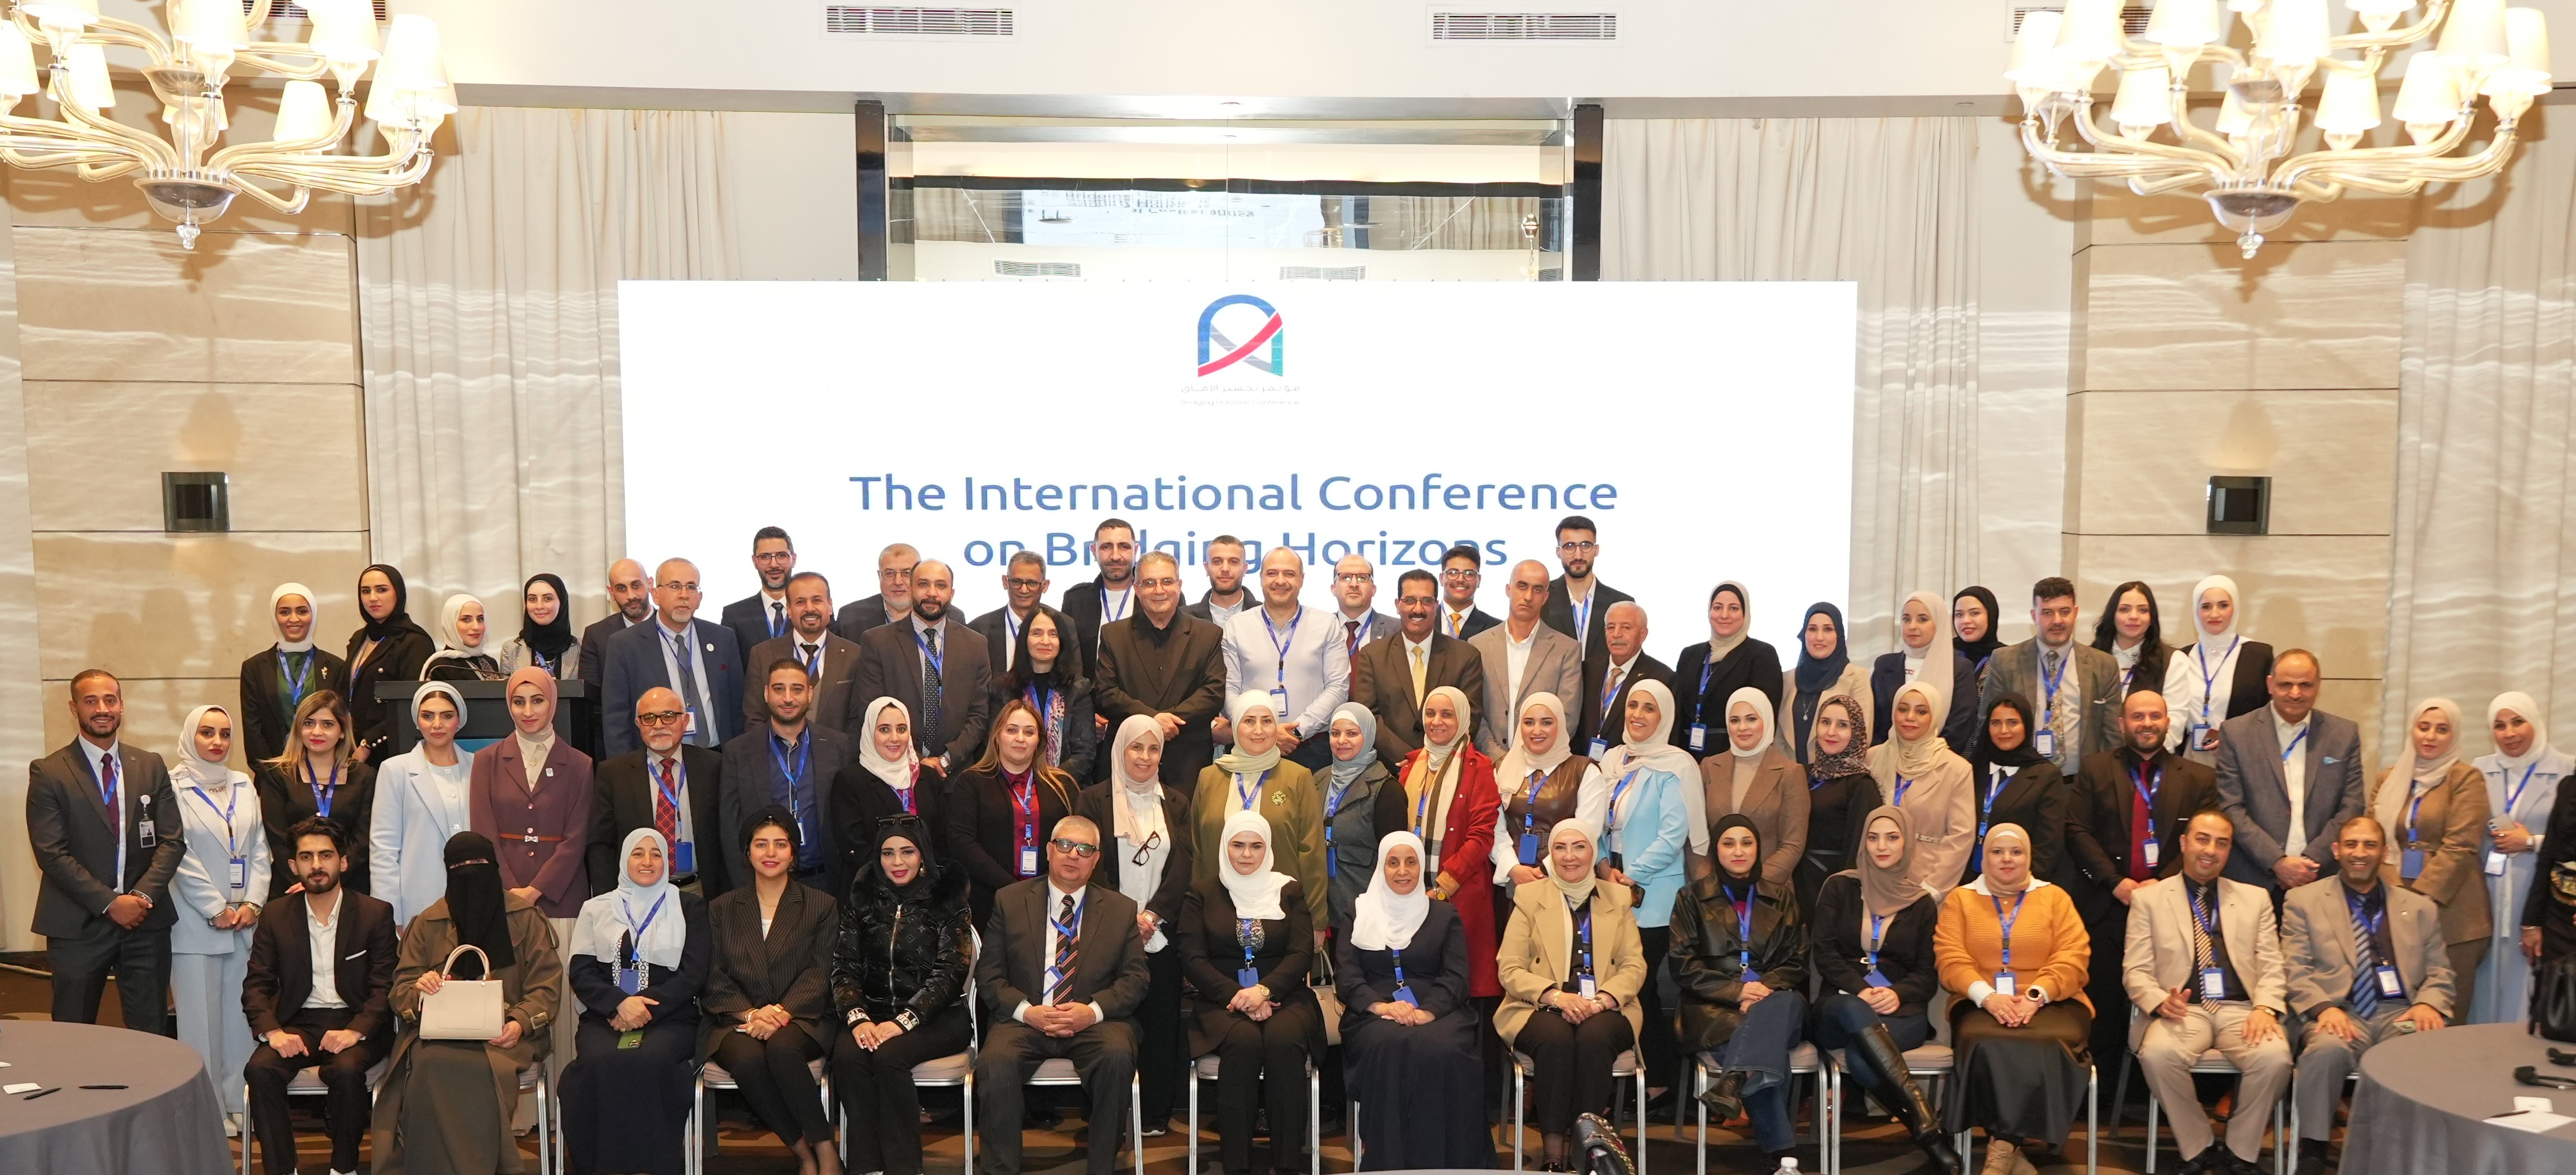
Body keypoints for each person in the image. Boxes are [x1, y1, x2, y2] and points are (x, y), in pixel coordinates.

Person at [370, 831, 564, 1175]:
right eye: (461, 867)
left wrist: (519, 1022)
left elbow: (546, 986)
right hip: (438, 1035)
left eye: (480, 864)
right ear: (448, 872)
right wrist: (422, 989)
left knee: (482, 1068)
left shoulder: (526, 918)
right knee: (430, 1066)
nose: (471, 874)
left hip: (506, 1036)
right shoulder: (427, 922)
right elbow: (401, 992)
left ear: (495, 868)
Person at [973, 814, 1153, 1175]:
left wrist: (1092, 1011)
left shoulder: (1120, 909)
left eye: (1085, 849)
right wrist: (1028, 1012)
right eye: (1066, 845)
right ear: (1049, 851)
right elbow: (989, 975)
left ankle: (1102, 1168)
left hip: (1095, 1022)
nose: (1074, 855)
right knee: (996, 1061)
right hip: (1025, 1019)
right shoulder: (1010, 900)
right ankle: (1001, 1169)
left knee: (1117, 1056)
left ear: (1096, 859)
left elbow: (1136, 979)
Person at [2122, 809, 2293, 1175]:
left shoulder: (2255, 898)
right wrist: (2159, 1001)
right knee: (2158, 1055)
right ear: (2184, 843)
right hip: (2182, 1011)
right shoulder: (2149, 899)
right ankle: (2197, 1145)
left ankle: (2241, 1151)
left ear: (2230, 851)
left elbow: (2272, 963)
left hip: (2243, 1010)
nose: (2211, 850)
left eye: (2222, 843)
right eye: (2202, 839)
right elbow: (2135, 970)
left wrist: (2265, 1008)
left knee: (2276, 1058)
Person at [2283, 816, 2453, 1175]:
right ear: (2336, 850)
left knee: (2422, 1047)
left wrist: (2428, 1004)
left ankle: (2403, 1154)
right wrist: (2323, 1008)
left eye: (2370, 845)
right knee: (2326, 1051)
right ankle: (2313, 1151)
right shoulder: (2303, 900)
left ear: (2385, 853)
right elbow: (2293, 968)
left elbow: (2440, 971)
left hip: (2399, 1013)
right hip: (2338, 1011)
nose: (2359, 853)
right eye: (2351, 844)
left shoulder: (2419, 908)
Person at [2065, 689, 2218, 1077]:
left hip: (2170, 908)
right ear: (2122, 724)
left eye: (2155, 716)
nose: (2147, 724)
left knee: (2163, 998)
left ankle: (2149, 1090)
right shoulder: (2095, 769)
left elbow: (2202, 841)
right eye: (2138, 717)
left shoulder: (2199, 778)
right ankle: (2103, 1091)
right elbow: (2077, 830)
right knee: (2105, 1002)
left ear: (2168, 722)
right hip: (2106, 905)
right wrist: (2114, 882)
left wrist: (2161, 884)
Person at [243, 817, 400, 1175]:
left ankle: (343, 1169)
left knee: (345, 1071)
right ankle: (283, 1170)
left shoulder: (375, 913)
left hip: (356, 1021)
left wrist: (356, 1031)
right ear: (293, 866)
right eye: (307, 857)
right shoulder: (276, 915)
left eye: (326, 855)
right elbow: (257, 984)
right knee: (260, 1069)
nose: (316, 865)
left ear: (342, 862)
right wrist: (273, 1032)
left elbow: (385, 986)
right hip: (298, 1023)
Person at [29, 670, 185, 1031]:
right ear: (74, 708)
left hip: (145, 923)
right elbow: (51, 852)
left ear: (121, 706)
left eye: (110, 700)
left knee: (151, 1033)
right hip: (78, 924)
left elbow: (172, 840)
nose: (102, 709)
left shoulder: (150, 765)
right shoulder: (49, 772)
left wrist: (140, 898)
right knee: (74, 1032)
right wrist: (110, 903)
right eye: (91, 701)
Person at [1934, 823, 2093, 1175]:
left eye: (2016, 852)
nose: (2007, 859)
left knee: (2047, 1041)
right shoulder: (1960, 900)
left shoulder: (2055, 898)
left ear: (2029, 857)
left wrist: (2037, 995)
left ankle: (2002, 1148)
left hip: (2053, 999)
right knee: (1984, 1040)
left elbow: (2074, 955)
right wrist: (1988, 998)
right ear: (1985, 857)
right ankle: (2011, 1149)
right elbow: (1950, 960)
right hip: (1981, 1000)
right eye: (1997, 851)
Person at [1810, 806, 1957, 1174]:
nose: (1882, 846)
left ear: (1907, 844)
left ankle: (1922, 1130)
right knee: (1852, 1009)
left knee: (1861, 1060)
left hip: (1900, 1010)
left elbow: (1927, 972)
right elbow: (1824, 953)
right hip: (1841, 1003)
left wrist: (1899, 993)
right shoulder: (1840, 887)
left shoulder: (1921, 903)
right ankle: (1926, 1121)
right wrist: (1861, 990)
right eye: (1873, 838)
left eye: (1892, 838)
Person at [469, 666, 595, 1095]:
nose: (528, 711)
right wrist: (513, 892)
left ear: (552, 703)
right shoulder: (486, 761)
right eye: (518, 701)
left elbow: (577, 838)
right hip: (503, 901)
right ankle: (521, 1117)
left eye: (537, 700)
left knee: (560, 1002)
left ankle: (563, 1107)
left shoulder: (580, 764)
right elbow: (483, 832)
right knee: (512, 1002)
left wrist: (536, 890)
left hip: (561, 898)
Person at [1495, 821, 1646, 1173]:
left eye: (1579, 847)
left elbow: (1634, 965)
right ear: (1551, 854)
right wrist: (1556, 997)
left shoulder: (1618, 898)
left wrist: (1603, 1000)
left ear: (1593, 852)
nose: (1569, 856)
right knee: (1556, 1040)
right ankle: (1553, 1152)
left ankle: (1586, 1150)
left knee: (1594, 1039)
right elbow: (1510, 968)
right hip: (1542, 1004)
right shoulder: (1530, 897)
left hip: (1607, 1006)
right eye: (1560, 848)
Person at [561, 829, 713, 1175]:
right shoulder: (596, 908)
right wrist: (618, 1004)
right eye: (638, 853)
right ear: (624, 860)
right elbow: (582, 972)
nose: (647, 861)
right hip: (605, 1017)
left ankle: (651, 1167)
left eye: (656, 854)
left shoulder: (689, 907)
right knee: (598, 1063)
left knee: (648, 1062)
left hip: (671, 1018)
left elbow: (693, 973)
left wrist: (641, 1008)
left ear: (666, 862)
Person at [1180, 811, 1323, 1175]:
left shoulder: (1289, 890)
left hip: (1284, 996)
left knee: (1283, 1041)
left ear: (1268, 848)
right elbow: (1193, 959)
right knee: (1242, 1043)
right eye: (1238, 845)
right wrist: (1239, 996)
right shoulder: (1201, 893)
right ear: (1224, 846)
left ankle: (1288, 1163)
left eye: (1256, 846)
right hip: (1223, 1000)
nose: (1246, 854)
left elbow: (1301, 952)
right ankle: (1237, 1165)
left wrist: (1264, 990)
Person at [1336, 832, 1491, 1169]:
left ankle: (1451, 1164)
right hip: (1374, 1010)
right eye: (1393, 863)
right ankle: (1388, 1162)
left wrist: (1429, 1012)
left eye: (1411, 862)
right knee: (1390, 1044)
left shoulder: (1444, 915)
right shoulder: (1358, 911)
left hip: (1439, 1008)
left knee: (1444, 1048)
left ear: (1421, 867)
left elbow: (1456, 977)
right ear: (1381, 867)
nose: (1402, 871)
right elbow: (1347, 976)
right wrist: (1382, 1007)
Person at [702, 806, 842, 1174]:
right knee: (747, 1060)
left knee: (782, 1051)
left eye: (780, 844)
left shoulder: (821, 905)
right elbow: (714, 974)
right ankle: (803, 1153)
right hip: (737, 1018)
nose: (770, 853)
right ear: (747, 852)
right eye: (761, 844)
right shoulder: (722, 908)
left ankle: (826, 1150)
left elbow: (821, 971)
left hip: (803, 1016)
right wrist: (752, 1014)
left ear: (793, 853)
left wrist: (780, 1013)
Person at [833, 816, 976, 1175]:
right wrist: (857, 1017)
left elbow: (951, 973)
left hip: (939, 1017)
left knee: (888, 1057)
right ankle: (867, 1166)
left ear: (923, 854)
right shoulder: (862, 898)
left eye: (907, 852)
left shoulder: (948, 899)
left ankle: (904, 1168)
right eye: (888, 853)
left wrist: (904, 1021)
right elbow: (844, 965)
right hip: (873, 1013)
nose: (897, 862)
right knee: (848, 1056)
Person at [1077, 717, 1197, 1137]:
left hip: (1160, 933)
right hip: (1107, 932)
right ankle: (1104, 1113)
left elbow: (1184, 864)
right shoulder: (1093, 800)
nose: (1144, 757)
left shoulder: (1176, 803)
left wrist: (1153, 916)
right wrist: (1125, 917)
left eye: (1153, 749)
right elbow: (1086, 864)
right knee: (1105, 1026)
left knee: (1161, 1027)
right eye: (1136, 747)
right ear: (1120, 750)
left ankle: (1153, 1114)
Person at [1670, 815, 1809, 1165]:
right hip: (1713, 1009)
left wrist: (1762, 990)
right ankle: (1782, 1158)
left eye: (1747, 843)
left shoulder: (1782, 897)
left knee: (1784, 1005)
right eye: (1728, 843)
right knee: (1765, 1050)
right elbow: (1683, 966)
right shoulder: (1691, 898)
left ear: (1758, 848)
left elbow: (1797, 961)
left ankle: (1733, 1078)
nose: (1738, 851)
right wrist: (1737, 992)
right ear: (1716, 851)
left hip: (1774, 999)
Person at [1585, 680, 1697, 1103]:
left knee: (1641, 987)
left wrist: (1630, 875)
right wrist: (1603, 867)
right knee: (1614, 982)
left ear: (1664, 716)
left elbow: (1673, 835)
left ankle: (1659, 1081)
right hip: (1609, 885)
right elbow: (1594, 823)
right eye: (1633, 705)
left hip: (1653, 895)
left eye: (1649, 708)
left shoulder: (1676, 765)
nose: (1637, 714)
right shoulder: (1612, 760)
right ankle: (1628, 1077)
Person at [169, 703, 267, 1135]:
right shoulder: (173, 786)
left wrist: (253, 904)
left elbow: (259, 848)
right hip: (196, 923)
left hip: (243, 922)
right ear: (191, 736)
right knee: (200, 1022)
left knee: (239, 1017)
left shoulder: (243, 783)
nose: (217, 742)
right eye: (207, 732)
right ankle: (206, 1108)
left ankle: (238, 1098)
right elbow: (178, 854)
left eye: (225, 733)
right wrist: (215, 907)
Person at [2368, 698, 2491, 1022]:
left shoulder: (2466, 778)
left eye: (2442, 729)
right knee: (2398, 1012)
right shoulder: (2388, 779)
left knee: (2446, 1014)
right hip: (2393, 906)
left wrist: (2417, 900)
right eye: (2424, 727)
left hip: (2455, 915)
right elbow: (2373, 840)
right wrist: (2397, 894)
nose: (2431, 737)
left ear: (2455, 735)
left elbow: (2462, 845)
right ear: (2412, 730)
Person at [1370, 686, 1499, 994]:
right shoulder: (1412, 765)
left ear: (1463, 719)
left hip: (1458, 890)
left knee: (1455, 983)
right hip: (1410, 889)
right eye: (1430, 714)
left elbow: (1482, 837)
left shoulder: (1479, 767)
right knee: (1417, 980)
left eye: (1447, 714)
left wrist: (1442, 888)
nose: (1436, 722)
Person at [2215, 650, 2367, 896]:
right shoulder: (2236, 733)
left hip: (2321, 876)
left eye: (2305, 685)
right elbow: (2231, 807)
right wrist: (2277, 861)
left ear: (2318, 686)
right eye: (2285, 685)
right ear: (2270, 685)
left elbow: (2352, 805)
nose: (2295, 694)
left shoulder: (2343, 734)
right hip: (2254, 878)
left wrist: (2311, 861)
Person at [1196, 693, 1332, 935]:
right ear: (1235, 727)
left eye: (1267, 721)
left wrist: (1316, 920)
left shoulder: (1298, 777)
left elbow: (1312, 853)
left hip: (1282, 915)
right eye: (1249, 721)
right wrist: (1195, 914)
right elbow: (1197, 851)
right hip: (1219, 914)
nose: (1258, 730)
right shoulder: (1209, 777)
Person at [723, 658, 856, 897]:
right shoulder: (738, 752)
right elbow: (730, 826)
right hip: (764, 883)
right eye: (779, 689)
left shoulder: (838, 746)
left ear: (810, 694)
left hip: (826, 882)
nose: (787, 698)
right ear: (766, 693)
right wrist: (746, 888)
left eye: (797, 689)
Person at [1096, 550, 1230, 788]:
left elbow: (1213, 692)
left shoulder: (1208, 634)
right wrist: (1154, 720)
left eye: (1167, 581)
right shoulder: (1113, 635)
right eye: (1149, 583)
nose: (1159, 590)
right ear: (1137, 590)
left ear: (1179, 586)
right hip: (1129, 758)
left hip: (1187, 761)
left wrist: (1170, 721)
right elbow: (1105, 693)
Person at [853, 558, 993, 780]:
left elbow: (979, 715)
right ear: (911, 589)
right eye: (923, 584)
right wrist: (916, 759)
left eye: (941, 586)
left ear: (952, 593)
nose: (932, 593)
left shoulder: (975, 644)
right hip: (894, 773)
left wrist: (947, 759)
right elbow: (871, 710)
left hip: (956, 776)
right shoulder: (878, 642)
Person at [950, 698, 1087, 924]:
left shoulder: (1063, 785)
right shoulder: (972, 782)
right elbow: (962, 843)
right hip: (988, 900)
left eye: (1029, 732)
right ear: (997, 737)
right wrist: (1012, 888)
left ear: (1040, 741)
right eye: (1012, 730)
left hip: (1050, 901)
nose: (1020, 739)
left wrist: (1046, 889)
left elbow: (1076, 842)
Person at [1220, 547, 1351, 774]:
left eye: (1289, 574)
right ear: (1261, 578)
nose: (1280, 581)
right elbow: (1229, 689)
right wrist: (1261, 731)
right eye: (1272, 573)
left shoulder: (1326, 624)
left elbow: (1338, 688)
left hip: (1312, 748)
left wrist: (1298, 730)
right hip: (1250, 747)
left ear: (1302, 579)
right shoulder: (1236, 626)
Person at [602, 558, 749, 757]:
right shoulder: (625, 645)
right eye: (675, 586)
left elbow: (738, 706)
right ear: (655, 594)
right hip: (657, 760)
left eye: (691, 587)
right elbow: (616, 718)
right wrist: (625, 768)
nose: (684, 595)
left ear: (700, 597)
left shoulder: (723, 638)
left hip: (719, 757)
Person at [593, 685, 728, 897]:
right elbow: (601, 846)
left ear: (685, 721)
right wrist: (609, 900)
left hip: (701, 892)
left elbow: (727, 836)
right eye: (649, 718)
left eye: (668, 716)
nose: (658, 725)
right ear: (638, 724)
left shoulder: (714, 766)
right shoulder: (613, 774)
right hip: (637, 895)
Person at [2484, 691, 2570, 1022]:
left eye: (2518, 722)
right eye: (2500, 725)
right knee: (2486, 975)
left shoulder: (2567, 769)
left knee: (2529, 975)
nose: (2510, 733)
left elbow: (2571, 841)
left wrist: (2532, 841)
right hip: (2489, 892)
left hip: (2540, 893)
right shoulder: (2478, 770)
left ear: (2535, 721)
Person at [1980, 577, 2123, 774]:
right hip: (2021, 780)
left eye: (2064, 612)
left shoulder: (2103, 665)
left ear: (2076, 613)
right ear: (2034, 616)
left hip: (2082, 782)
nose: (2057, 621)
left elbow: (2113, 735)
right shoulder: (2005, 661)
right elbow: (1987, 722)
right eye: (2047, 613)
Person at [1349, 568, 1488, 762]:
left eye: (1426, 601)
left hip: (1446, 765)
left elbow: (1469, 716)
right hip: (1391, 768)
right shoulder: (1373, 655)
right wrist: (1411, 759)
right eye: (1409, 601)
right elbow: (1368, 717)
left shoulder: (1466, 656)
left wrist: (1434, 757)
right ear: (1398, 605)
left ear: (1436, 606)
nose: (1418, 609)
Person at [372, 682, 479, 926]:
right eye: (428, 716)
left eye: (447, 716)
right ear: (417, 721)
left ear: (459, 721)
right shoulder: (395, 770)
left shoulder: (479, 767)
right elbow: (384, 850)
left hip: (475, 899)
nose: (437, 724)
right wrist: (389, 916)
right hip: (417, 902)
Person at [255, 690, 379, 898]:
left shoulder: (365, 776)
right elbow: (277, 838)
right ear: (298, 729)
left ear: (342, 731)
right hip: (293, 888)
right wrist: (306, 881)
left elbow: (363, 839)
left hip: (349, 887)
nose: (317, 732)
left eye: (327, 724)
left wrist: (332, 879)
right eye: (309, 723)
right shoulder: (277, 775)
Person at [1489, 694, 1600, 903]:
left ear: (1560, 725)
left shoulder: (1584, 770)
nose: (1537, 731)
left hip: (1566, 879)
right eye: (1529, 722)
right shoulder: (1503, 768)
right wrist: (1512, 868)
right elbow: (1494, 826)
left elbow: (1588, 831)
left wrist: (1544, 871)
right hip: (1513, 880)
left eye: (1547, 723)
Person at [1869, 681, 1974, 901]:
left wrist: (1932, 889)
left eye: (1921, 711)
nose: (1910, 717)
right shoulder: (1872, 758)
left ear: (1935, 716)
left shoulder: (1956, 768)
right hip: (1874, 879)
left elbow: (1960, 836)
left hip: (1925, 882)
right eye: (1903, 709)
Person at [1469, 560, 1583, 759]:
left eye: (1537, 590)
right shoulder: (1479, 645)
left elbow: (1567, 718)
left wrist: (1529, 761)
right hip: (1489, 764)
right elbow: (1474, 712)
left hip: (1542, 765)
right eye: (1522, 587)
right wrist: (1498, 758)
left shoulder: (1567, 650)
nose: (1528, 597)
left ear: (1546, 597)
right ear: (1509, 589)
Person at [2160, 576, 2277, 766]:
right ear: (2196, 611)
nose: (2214, 614)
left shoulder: (2258, 655)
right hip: (2188, 757)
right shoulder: (2181, 657)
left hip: (2241, 757)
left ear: (2235, 608)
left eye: (2223, 605)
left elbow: (2268, 713)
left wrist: (2234, 740)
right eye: (2206, 607)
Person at [1700, 685, 1808, 890]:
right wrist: (1709, 885)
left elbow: (1793, 844)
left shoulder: (1790, 773)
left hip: (1769, 892)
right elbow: (1696, 837)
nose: (1742, 727)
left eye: (1751, 719)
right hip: (1714, 893)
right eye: (1735, 720)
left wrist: (1750, 887)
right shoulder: (1709, 767)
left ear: (1766, 721)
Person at [1671, 580, 1785, 761]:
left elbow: (1766, 716)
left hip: (1736, 758)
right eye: (1718, 608)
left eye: (1734, 608)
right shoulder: (1689, 655)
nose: (1724, 615)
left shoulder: (1761, 655)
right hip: (1686, 757)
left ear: (1745, 613)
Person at [832, 698, 945, 879]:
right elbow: (853, 845)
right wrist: (896, 878)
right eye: (884, 729)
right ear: (870, 733)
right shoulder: (850, 781)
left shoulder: (929, 777)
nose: (894, 738)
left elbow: (942, 838)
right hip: (874, 885)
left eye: (901, 729)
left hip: (928, 883)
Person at [1965, 693, 2070, 884]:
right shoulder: (1971, 769)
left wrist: (2020, 885)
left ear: (2027, 726)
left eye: (2013, 723)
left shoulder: (2045, 776)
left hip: (2020, 882)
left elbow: (2048, 845)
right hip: (1966, 879)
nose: (2004, 730)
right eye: (1996, 723)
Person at [241, 582, 348, 765]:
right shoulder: (254, 668)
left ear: (313, 615)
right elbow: (253, 729)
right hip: (272, 768)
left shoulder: (336, 666)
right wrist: (269, 771)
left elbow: (342, 724)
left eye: (302, 611)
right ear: (275, 617)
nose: (294, 619)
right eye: (285, 612)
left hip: (325, 769)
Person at [1797, 695, 1886, 915]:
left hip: (1831, 886)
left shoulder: (1861, 784)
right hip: (1794, 881)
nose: (1831, 732)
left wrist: (1842, 894)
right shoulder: (1802, 774)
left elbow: (1858, 850)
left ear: (1856, 732)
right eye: (1825, 722)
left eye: (1843, 725)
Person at [745, 571, 864, 735]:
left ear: (830, 606)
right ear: (789, 609)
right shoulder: (762, 654)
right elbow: (754, 717)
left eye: (817, 600)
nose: (809, 609)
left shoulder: (855, 655)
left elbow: (858, 719)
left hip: (838, 750)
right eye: (800, 602)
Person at [345, 563, 437, 762]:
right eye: (366, 591)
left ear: (398, 593)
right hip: (351, 746)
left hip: (392, 750)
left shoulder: (414, 641)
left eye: (382, 590)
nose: (372, 598)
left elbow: (410, 703)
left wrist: (368, 744)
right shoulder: (359, 638)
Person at [1323, 703, 1399, 936]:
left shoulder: (1387, 790)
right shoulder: (1317, 780)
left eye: (1352, 733)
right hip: (1324, 906)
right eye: (1335, 733)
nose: (1342, 741)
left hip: (1365, 909)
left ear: (1368, 735)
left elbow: (1393, 859)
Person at [1871, 590, 1979, 750]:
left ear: (1939, 623)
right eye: (1906, 619)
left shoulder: (1959, 669)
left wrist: (1925, 757)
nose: (1912, 626)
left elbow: (1960, 726)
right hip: (1886, 757)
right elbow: (1873, 720)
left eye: (1923, 619)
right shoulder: (1884, 665)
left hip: (1939, 759)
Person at [1000, 608, 1096, 773]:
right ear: (1025, 639)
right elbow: (995, 746)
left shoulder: (1078, 688)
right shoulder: (1002, 689)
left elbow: (1084, 753)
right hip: (1012, 783)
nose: (1045, 641)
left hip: (1063, 783)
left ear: (1062, 641)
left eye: (1053, 634)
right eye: (1037, 633)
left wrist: (1049, 783)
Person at [1574, 601, 1674, 757]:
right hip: (1584, 764)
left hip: (1631, 764)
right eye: (1611, 627)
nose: (1617, 634)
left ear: (1643, 634)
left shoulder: (1662, 678)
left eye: (1626, 628)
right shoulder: (1587, 669)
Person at [1780, 602, 1873, 766]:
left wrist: (1826, 776)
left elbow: (1861, 737)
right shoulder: (1787, 679)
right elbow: (1778, 738)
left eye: (1828, 629)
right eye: (1812, 629)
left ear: (1839, 635)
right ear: (1804, 634)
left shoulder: (1856, 678)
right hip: (1790, 775)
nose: (1819, 637)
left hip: (1834, 776)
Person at [579, 560, 656, 754]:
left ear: (650, 584)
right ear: (611, 593)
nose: (631, 596)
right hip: (621, 744)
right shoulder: (597, 635)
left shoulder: (671, 628)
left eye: (636, 585)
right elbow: (594, 699)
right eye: (621, 588)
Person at [1541, 515, 1632, 665]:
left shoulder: (1621, 603)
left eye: (1586, 545)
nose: (1578, 555)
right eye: (1570, 546)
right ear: (1558, 552)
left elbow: (1630, 658)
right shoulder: (1542, 599)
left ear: (1596, 550)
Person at [718, 525, 801, 669]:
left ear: (793, 559)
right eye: (765, 557)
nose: (773, 564)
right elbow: (729, 670)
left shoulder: (811, 611)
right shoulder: (734, 616)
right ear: (755, 561)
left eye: (781, 556)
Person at [1061, 519, 1143, 663]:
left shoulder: (1157, 597)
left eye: (1124, 547)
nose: (1115, 556)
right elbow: (1068, 661)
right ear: (1094, 552)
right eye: (1107, 547)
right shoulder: (1075, 600)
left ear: (1136, 551)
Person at [972, 550, 1067, 674]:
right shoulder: (978, 630)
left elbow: (1073, 675)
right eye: (1016, 582)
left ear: (1045, 586)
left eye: (1032, 583)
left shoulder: (1065, 625)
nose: (1024, 590)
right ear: (1005, 582)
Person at [2087, 580, 2173, 700]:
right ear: (2112, 615)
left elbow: (2175, 710)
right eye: (2124, 610)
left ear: (2151, 618)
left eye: (2143, 610)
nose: (2134, 616)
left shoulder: (2173, 660)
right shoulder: (2088, 658)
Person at [496, 572, 580, 680]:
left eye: (548, 599)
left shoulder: (581, 649)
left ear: (562, 602)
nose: (539, 606)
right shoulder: (511, 650)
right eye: (532, 599)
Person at [833, 542, 920, 641]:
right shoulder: (850, 617)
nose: (898, 582)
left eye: (907, 573)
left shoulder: (932, 612)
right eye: (890, 574)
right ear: (880, 576)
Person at [1328, 553, 1400, 664]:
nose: (1354, 584)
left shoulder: (1398, 630)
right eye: (1345, 577)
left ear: (1374, 589)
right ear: (1334, 589)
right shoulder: (1319, 629)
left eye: (1362, 578)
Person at [422, 593, 507, 681]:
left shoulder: (490, 662)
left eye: (480, 619)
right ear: (451, 625)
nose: (476, 627)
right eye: (466, 620)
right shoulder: (441, 667)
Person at [1185, 536, 1253, 628]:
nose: (1225, 569)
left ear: (1245, 569)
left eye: (1233, 562)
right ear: (1207, 568)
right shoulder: (1183, 619)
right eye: (1217, 562)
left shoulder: (1265, 615)